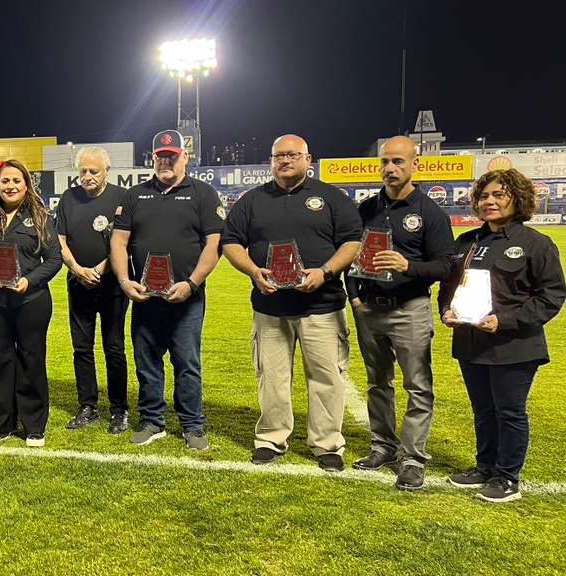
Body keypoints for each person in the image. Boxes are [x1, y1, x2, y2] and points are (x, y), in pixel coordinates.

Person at [221, 134, 362, 471]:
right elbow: (230, 242)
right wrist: (254, 271)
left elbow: (353, 242)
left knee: (327, 377)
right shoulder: (251, 201)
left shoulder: (331, 197)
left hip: (323, 305)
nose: (285, 160)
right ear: (271, 161)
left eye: (292, 155)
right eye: (278, 155)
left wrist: (325, 271)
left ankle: (327, 443)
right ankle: (271, 438)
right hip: (270, 307)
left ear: (307, 159)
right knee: (271, 377)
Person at [438, 169, 565, 502]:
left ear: (518, 199)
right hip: (470, 343)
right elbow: (449, 286)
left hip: (514, 345)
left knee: (509, 411)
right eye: (484, 196)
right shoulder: (466, 242)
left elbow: (551, 296)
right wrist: (447, 311)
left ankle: (508, 477)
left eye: (499, 195)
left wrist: (506, 321)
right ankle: (484, 467)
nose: (489, 201)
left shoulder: (536, 244)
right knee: (483, 410)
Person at [344, 136, 454, 489]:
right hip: (370, 309)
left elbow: (445, 267)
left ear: (414, 165)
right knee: (378, 383)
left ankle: (413, 458)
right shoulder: (365, 210)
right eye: (385, 162)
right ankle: (383, 446)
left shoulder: (430, 213)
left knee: (418, 386)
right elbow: (348, 258)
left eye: (398, 162)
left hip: (410, 309)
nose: (390, 169)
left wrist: (408, 266)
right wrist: (355, 300)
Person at [110, 130, 222, 451]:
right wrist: (123, 279)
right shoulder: (134, 195)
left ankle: (192, 424)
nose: (166, 160)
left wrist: (192, 283)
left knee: (187, 361)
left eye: (172, 155)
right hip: (145, 296)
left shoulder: (202, 193)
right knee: (147, 361)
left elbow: (213, 244)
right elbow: (118, 241)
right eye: (161, 155)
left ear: (184, 157)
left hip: (187, 297)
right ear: (153, 157)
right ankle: (152, 420)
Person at [0, 159, 62, 447]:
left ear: (26, 185)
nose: (10, 186)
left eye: (17, 180)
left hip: (30, 300)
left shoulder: (40, 218)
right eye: (5, 181)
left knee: (31, 359)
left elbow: (54, 258)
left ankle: (33, 426)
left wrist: (29, 280)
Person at [56, 146, 130, 434]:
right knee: (81, 348)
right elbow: (59, 239)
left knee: (114, 348)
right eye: (83, 171)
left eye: (93, 171)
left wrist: (99, 270)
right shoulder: (68, 198)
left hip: (111, 286)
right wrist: (76, 269)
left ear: (107, 172)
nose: (87, 176)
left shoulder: (121, 198)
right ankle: (87, 406)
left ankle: (119, 409)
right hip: (78, 284)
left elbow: (123, 243)